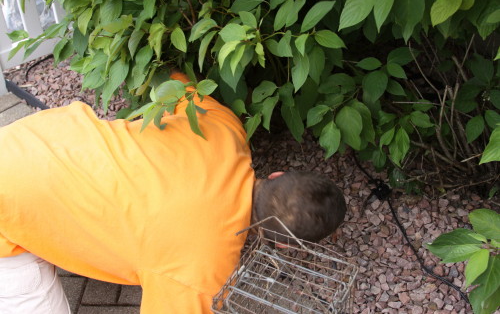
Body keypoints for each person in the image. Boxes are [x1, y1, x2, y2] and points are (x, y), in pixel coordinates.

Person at [0, 72, 346, 313]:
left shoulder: (225, 130)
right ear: (284, 243)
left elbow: (176, 81)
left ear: (277, 174)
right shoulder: (200, 271)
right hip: (10, 200)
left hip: (36, 136)